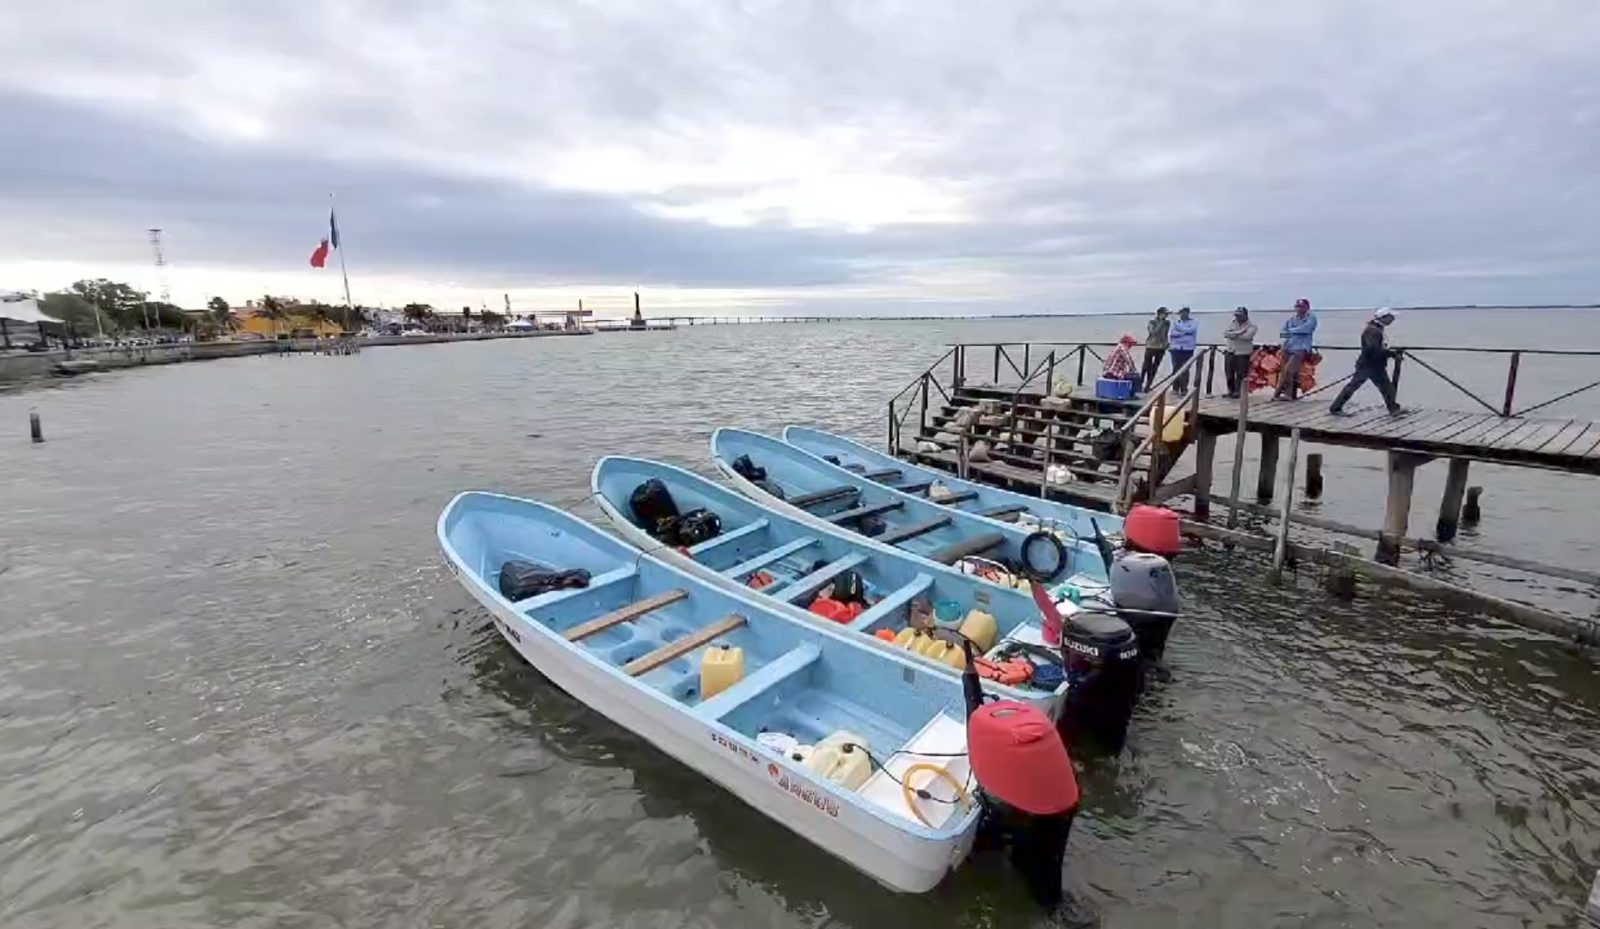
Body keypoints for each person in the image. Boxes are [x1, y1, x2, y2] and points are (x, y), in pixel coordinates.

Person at [1329, 308, 1404, 416]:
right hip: (1368, 365)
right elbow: (1373, 349)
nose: (1393, 320)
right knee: (1354, 386)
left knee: (1386, 388)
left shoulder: (1376, 329)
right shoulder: (1372, 331)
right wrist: (1390, 354)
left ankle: (1393, 409)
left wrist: (1389, 353)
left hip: (1375, 365)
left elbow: (1376, 348)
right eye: (1391, 317)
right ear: (1384, 317)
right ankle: (1335, 408)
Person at [1274, 297, 1318, 400]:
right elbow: (1282, 333)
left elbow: (1307, 329)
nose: (1299, 308)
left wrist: (1291, 331)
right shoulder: (1291, 319)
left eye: (1302, 306)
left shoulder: (1311, 317)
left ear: (1307, 307)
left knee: (1290, 370)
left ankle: (1287, 394)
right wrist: (1293, 332)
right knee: (1283, 371)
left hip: (1301, 348)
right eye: (1297, 306)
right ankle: (1282, 394)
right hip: (1288, 347)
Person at [1221, 306, 1257, 398]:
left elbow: (1247, 336)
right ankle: (1231, 391)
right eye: (1236, 315)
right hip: (1230, 351)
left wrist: (1233, 334)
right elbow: (1225, 334)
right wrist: (1240, 332)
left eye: (1240, 315)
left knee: (1241, 374)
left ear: (1245, 315)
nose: (1237, 317)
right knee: (1229, 373)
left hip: (1243, 353)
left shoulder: (1252, 326)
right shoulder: (1232, 323)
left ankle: (1239, 391)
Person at [1167, 306, 1199, 393]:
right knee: (1175, 368)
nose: (1182, 315)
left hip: (1188, 349)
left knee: (1185, 369)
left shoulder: (1194, 322)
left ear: (1188, 313)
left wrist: (1180, 331)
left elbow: (1190, 331)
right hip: (1175, 348)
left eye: (1185, 313)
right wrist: (1183, 333)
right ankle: (1175, 388)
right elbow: (1172, 334)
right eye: (1181, 313)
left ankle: (1184, 388)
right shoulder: (1177, 322)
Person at [1141, 306, 1170, 390]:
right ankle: (1140, 383)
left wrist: (1166, 343)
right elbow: (1153, 332)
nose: (1166, 316)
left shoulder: (1167, 323)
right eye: (1165, 314)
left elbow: (1165, 334)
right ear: (1159, 314)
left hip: (1161, 348)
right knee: (1146, 366)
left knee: (1155, 368)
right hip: (1151, 346)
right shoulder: (1152, 322)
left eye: (1167, 314)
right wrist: (1161, 322)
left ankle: (1148, 386)